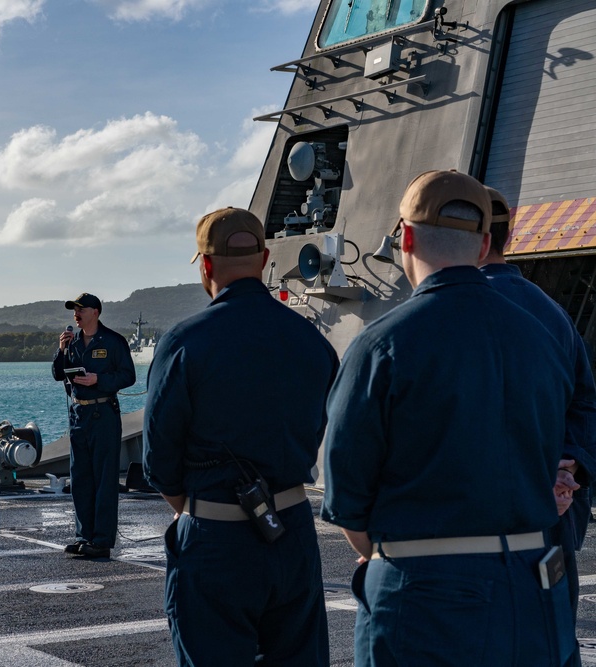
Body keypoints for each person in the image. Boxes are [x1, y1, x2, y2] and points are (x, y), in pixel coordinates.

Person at [322, 170, 577, 666]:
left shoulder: (381, 344)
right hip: (531, 591)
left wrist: (382, 554)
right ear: (485, 246)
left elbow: (347, 495)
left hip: (423, 597)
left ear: (407, 238)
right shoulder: (543, 338)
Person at [143, 207, 339, 666]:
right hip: (290, 532)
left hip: (215, 536)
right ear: (265, 257)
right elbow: (318, 428)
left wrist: (194, 508)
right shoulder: (310, 339)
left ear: (206, 266)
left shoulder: (185, 341)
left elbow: (159, 460)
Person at [479, 185, 596, 634]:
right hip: (551, 523)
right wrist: (568, 471)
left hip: (472, 537)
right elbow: (586, 404)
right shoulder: (553, 314)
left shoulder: (436, 316)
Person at [52, 292, 136, 559]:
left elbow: (128, 376)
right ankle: (84, 536)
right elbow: (57, 373)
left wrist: (98, 379)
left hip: (103, 413)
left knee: (104, 479)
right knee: (81, 478)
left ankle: (101, 541)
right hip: (79, 415)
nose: (76, 314)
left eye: (81, 309)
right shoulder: (72, 341)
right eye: (74, 310)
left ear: (95, 312)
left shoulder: (113, 341)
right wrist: (62, 350)